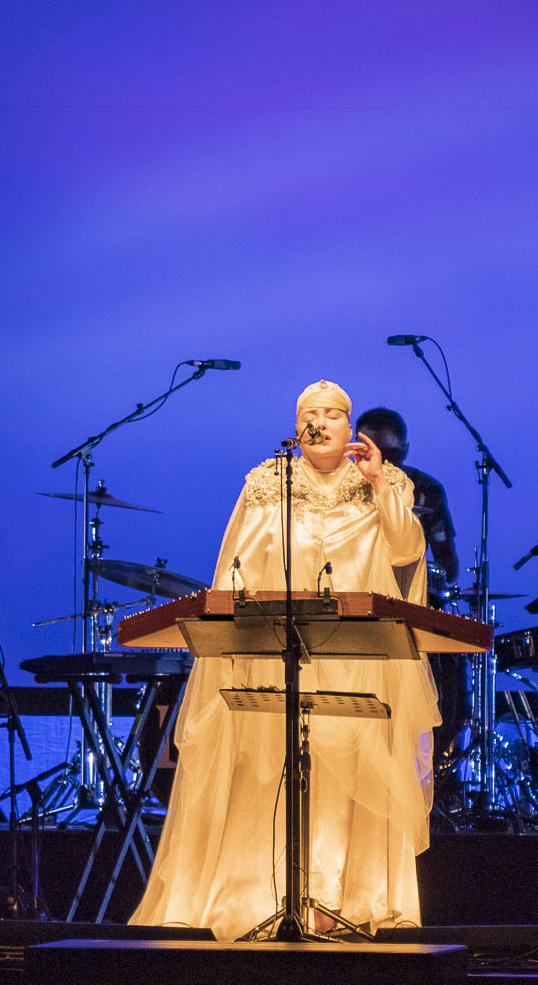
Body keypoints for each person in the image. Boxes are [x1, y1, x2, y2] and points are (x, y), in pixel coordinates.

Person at [130, 381, 437, 939]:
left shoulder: (386, 481)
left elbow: (406, 550)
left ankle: (342, 898)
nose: (319, 422)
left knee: (346, 784)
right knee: (269, 772)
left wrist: (376, 481)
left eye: (332, 414)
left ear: (352, 427)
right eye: (308, 414)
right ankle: (266, 896)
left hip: (355, 658)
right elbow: (234, 566)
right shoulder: (267, 480)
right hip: (276, 654)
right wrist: (230, 641)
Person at [356, 406, 469, 778]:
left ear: (405, 450)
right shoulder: (341, 488)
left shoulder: (426, 490)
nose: (381, 461)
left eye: (391, 454)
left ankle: (429, 777)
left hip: (414, 615)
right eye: (368, 449)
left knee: (444, 703)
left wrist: (418, 568)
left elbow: (448, 565)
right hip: (359, 618)